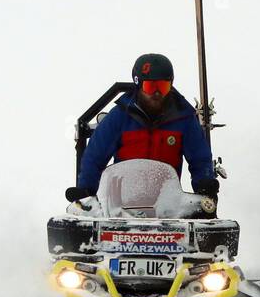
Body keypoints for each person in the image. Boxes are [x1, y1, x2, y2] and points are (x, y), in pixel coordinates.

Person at [75, 53, 218, 197]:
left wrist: (204, 184)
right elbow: (94, 157)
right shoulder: (120, 116)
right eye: (151, 87)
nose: (157, 93)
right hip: (121, 206)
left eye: (163, 86)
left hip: (167, 205)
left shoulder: (184, 118)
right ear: (138, 84)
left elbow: (200, 158)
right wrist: (86, 190)